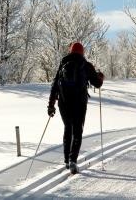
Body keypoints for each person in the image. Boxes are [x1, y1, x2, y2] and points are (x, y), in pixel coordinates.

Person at [48, 42, 104, 174]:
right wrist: (100, 76)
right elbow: (97, 83)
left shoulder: (63, 64)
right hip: (79, 103)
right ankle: (73, 160)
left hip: (63, 103)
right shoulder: (85, 65)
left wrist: (51, 104)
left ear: (71, 51)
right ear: (82, 52)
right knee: (77, 131)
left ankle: (66, 160)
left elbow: (55, 85)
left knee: (68, 128)